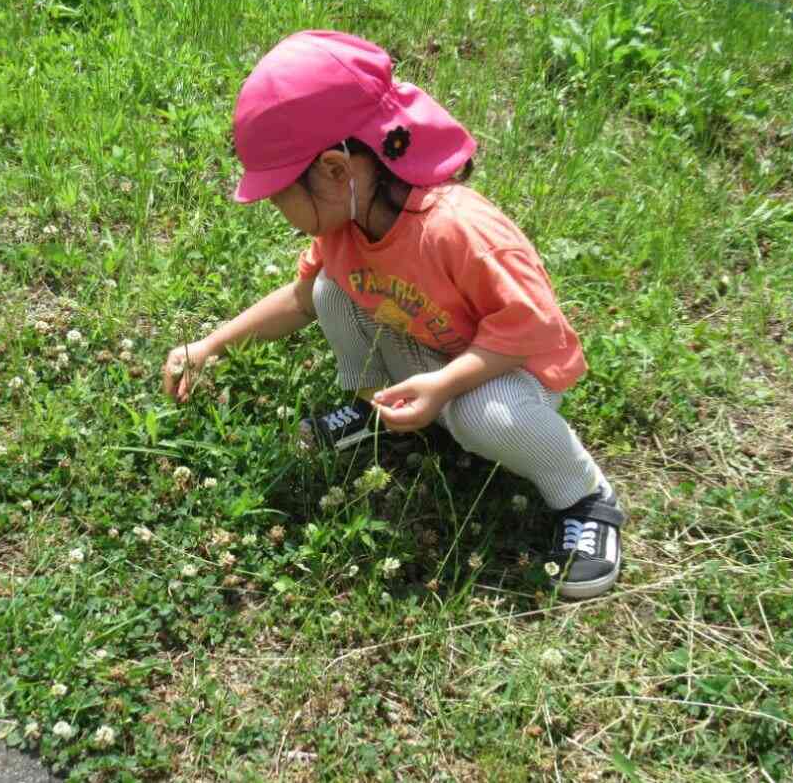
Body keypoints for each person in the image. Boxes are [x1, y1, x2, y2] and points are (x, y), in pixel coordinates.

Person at [162, 30, 625, 599]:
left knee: (484, 418)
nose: (277, 210)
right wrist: (209, 345)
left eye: (280, 193)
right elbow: (302, 300)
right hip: (434, 350)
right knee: (332, 289)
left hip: (509, 368)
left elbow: (534, 328)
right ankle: (375, 409)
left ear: (335, 172)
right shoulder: (348, 227)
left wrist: (445, 385)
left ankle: (585, 496)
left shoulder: (457, 229)